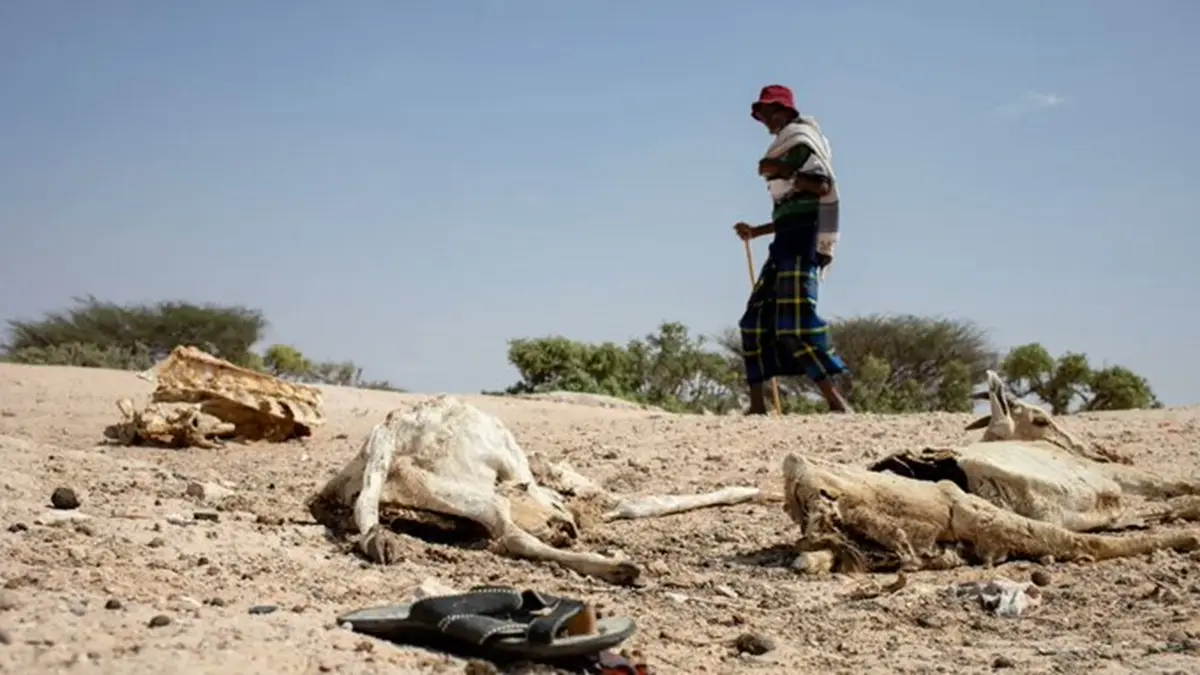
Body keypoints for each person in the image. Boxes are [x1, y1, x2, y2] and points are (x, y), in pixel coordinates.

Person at [734, 84, 853, 414]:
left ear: (783, 111)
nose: (765, 122)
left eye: (768, 113)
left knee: (797, 325)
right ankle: (758, 406)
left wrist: (785, 171)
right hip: (783, 243)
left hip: (802, 243)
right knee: (753, 322)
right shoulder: (783, 148)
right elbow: (790, 208)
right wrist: (757, 231)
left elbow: (823, 187)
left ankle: (837, 403)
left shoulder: (802, 142)